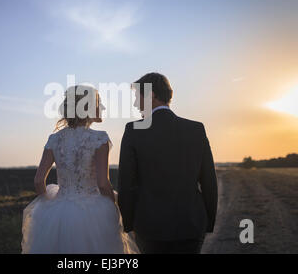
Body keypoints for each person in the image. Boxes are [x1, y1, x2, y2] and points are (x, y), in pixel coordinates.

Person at [21, 85, 139, 254]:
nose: (103, 107)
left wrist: (50, 206)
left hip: (59, 211)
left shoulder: (54, 139)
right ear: (88, 107)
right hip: (94, 211)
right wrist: (116, 205)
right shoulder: (99, 139)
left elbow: (39, 181)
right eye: (99, 103)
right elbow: (103, 184)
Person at [118, 72, 218, 254]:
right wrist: (208, 221)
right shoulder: (196, 129)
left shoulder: (133, 131)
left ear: (151, 95)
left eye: (137, 97)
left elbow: (126, 183)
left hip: (150, 227)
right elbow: (209, 180)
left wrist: (129, 223)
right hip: (191, 225)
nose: (135, 104)